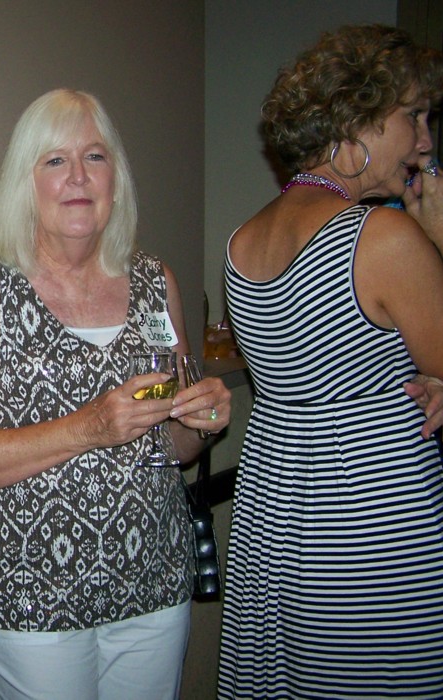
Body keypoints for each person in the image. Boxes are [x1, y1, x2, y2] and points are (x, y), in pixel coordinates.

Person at [0, 88, 231, 700]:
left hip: (153, 579)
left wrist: (200, 420)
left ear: (117, 178)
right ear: (25, 182)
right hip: (32, 594)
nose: (79, 176)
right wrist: (89, 427)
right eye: (55, 160)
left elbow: (173, 448)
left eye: (95, 156)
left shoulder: (155, 281)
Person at [218, 24, 443, 698]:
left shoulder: (241, 242)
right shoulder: (386, 237)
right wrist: (435, 241)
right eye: (413, 116)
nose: (425, 141)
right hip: (370, 519)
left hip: (275, 506)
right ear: (358, 119)